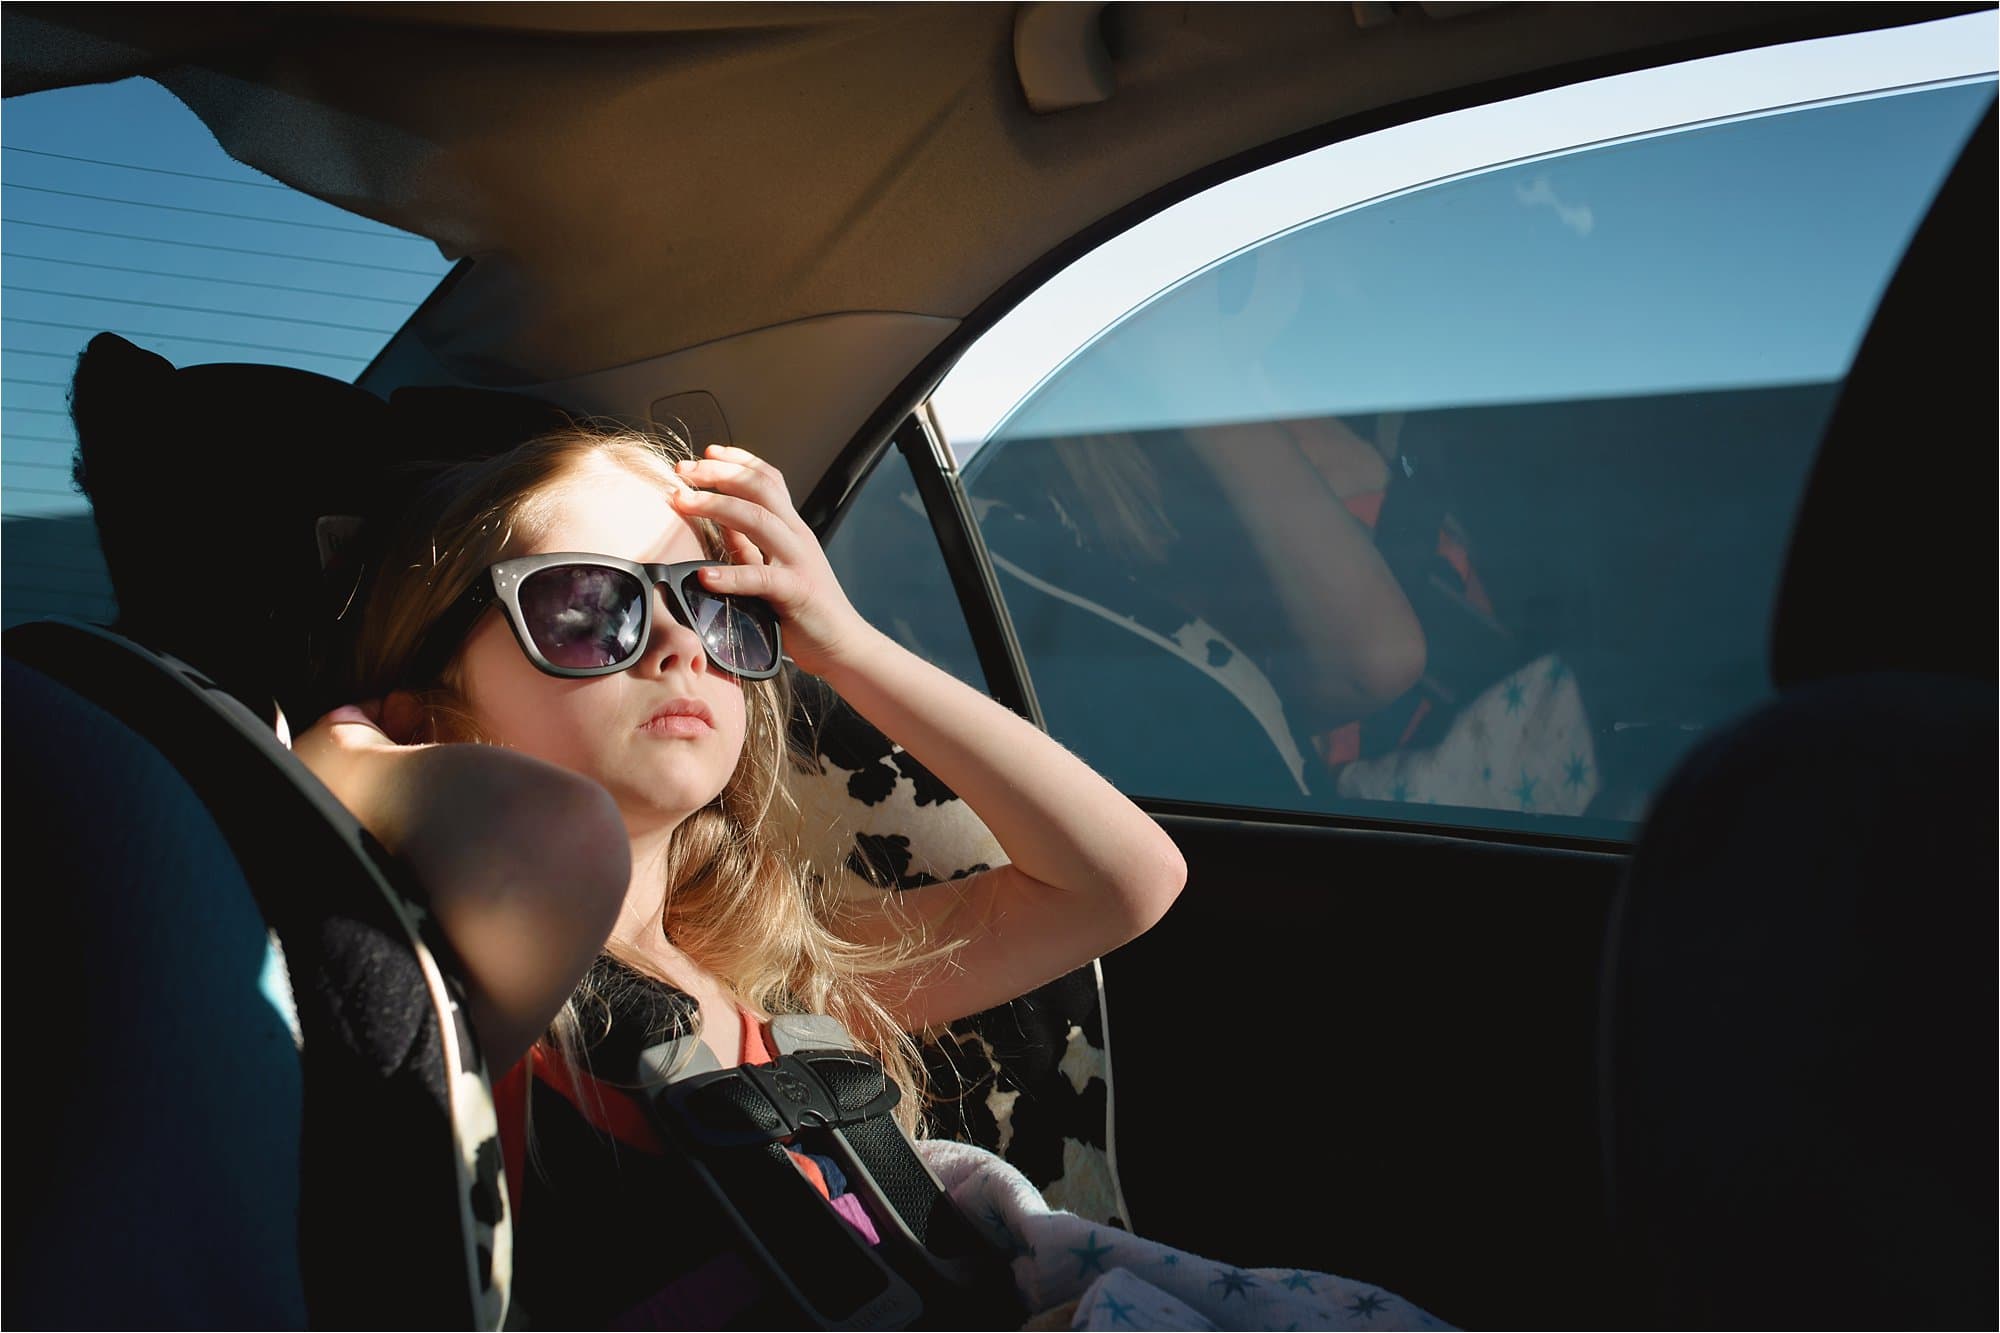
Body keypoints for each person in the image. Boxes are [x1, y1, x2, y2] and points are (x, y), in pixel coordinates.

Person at [293, 421, 1445, 1331]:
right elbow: (546, 854)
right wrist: (342, 757)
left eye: (715, 601)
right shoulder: (468, 998)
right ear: (425, 711)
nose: (679, 642)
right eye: (588, 605)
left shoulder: (775, 975)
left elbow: (1125, 881)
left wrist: (834, 635)